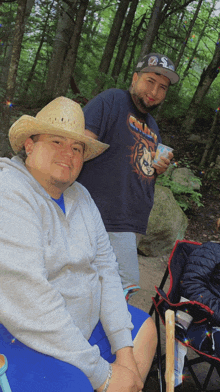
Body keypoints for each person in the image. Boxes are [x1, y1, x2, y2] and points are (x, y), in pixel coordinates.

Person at [0, 96, 157, 392]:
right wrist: (104, 375)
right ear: (30, 145)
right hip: (23, 333)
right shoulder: (9, 192)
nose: (67, 154)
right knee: (78, 384)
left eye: (76, 147)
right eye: (56, 142)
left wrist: (125, 355)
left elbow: (106, 270)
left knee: (144, 331)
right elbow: (29, 300)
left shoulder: (81, 197)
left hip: (81, 326)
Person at [77, 52, 179, 297]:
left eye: (162, 87)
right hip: (103, 212)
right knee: (125, 287)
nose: (154, 91)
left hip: (132, 221)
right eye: (150, 81)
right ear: (135, 78)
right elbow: (80, 144)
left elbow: (142, 168)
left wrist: (159, 169)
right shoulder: (112, 100)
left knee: (100, 288)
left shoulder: (153, 126)